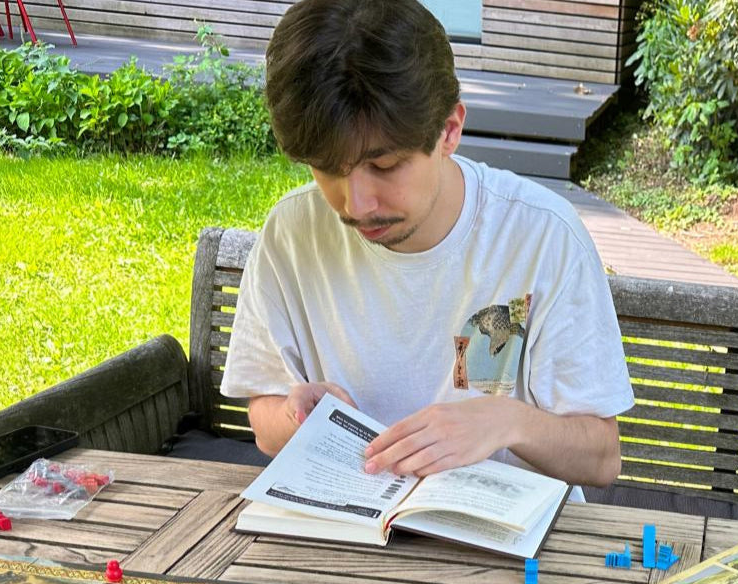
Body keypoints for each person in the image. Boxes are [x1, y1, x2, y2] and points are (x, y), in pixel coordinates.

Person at [220, 0, 634, 491]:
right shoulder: (291, 233)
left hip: (498, 544)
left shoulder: (542, 236)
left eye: (386, 165)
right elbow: (265, 418)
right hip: (347, 531)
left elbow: (601, 459)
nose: (357, 204)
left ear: (449, 131)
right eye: (327, 168)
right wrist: (295, 414)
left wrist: (507, 421)